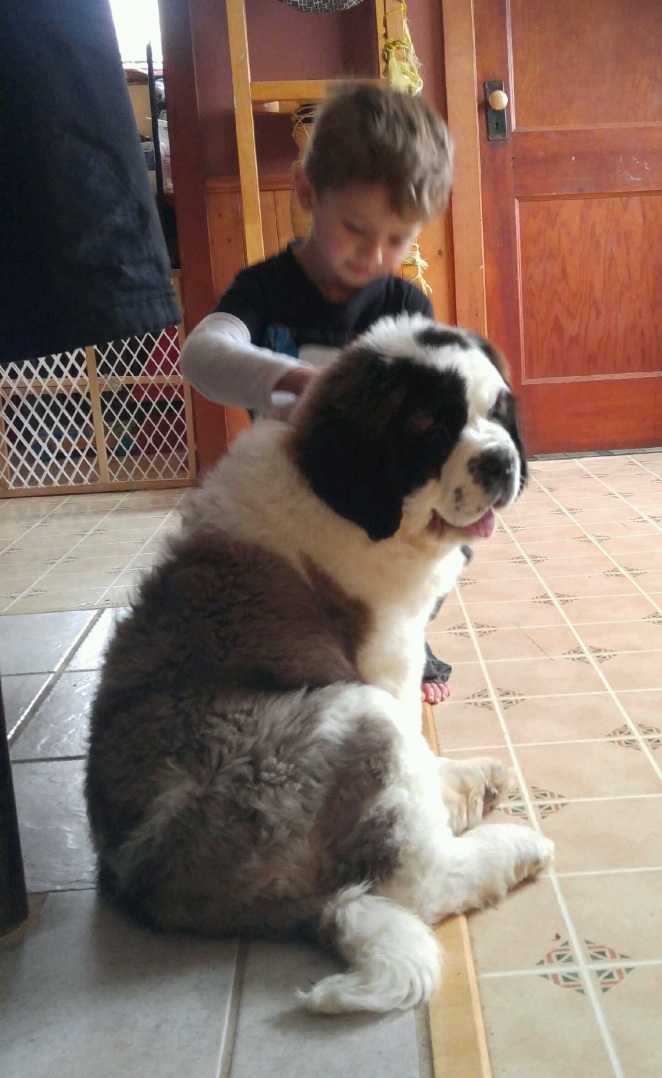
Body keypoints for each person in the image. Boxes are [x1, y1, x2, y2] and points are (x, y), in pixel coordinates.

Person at [180, 81, 457, 704]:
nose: (374, 254)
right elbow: (201, 354)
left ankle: (406, 637)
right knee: (288, 635)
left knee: (424, 558)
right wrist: (291, 379)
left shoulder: (404, 304)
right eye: (356, 229)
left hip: (376, 510)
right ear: (308, 194)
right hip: (287, 503)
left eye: (398, 238)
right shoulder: (264, 290)